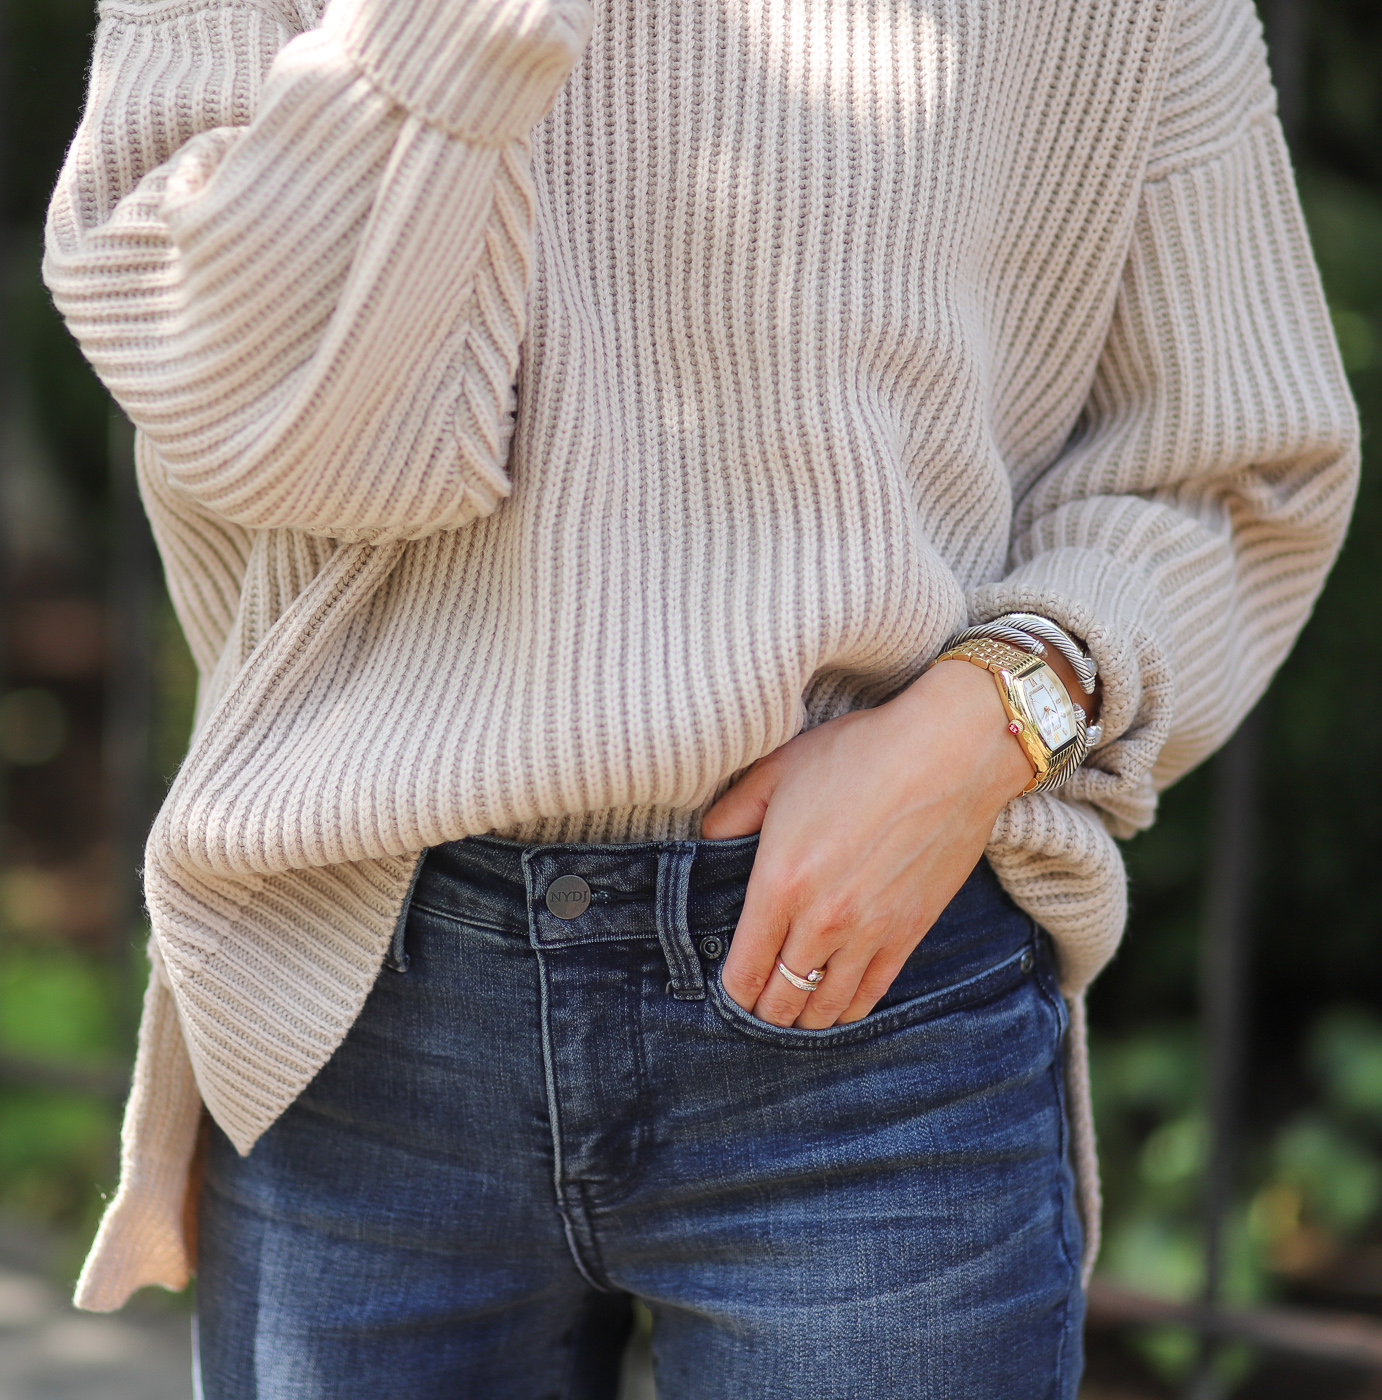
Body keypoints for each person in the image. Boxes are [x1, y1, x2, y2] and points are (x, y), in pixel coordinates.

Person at [45, 0, 1357, 1393]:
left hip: (870, 993)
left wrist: (983, 724)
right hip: (357, 977)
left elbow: (1232, 461)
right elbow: (280, 429)